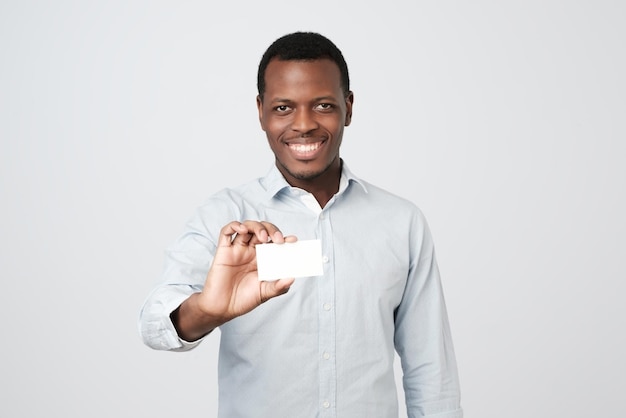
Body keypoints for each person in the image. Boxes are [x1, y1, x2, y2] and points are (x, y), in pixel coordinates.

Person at [139, 31, 463, 418]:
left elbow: (432, 371)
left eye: (323, 105)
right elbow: (155, 323)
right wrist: (208, 310)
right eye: (283, 108)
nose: (304, 124)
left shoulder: (401, 222)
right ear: (260, 111)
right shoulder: (225, 216)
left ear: (349, 106)